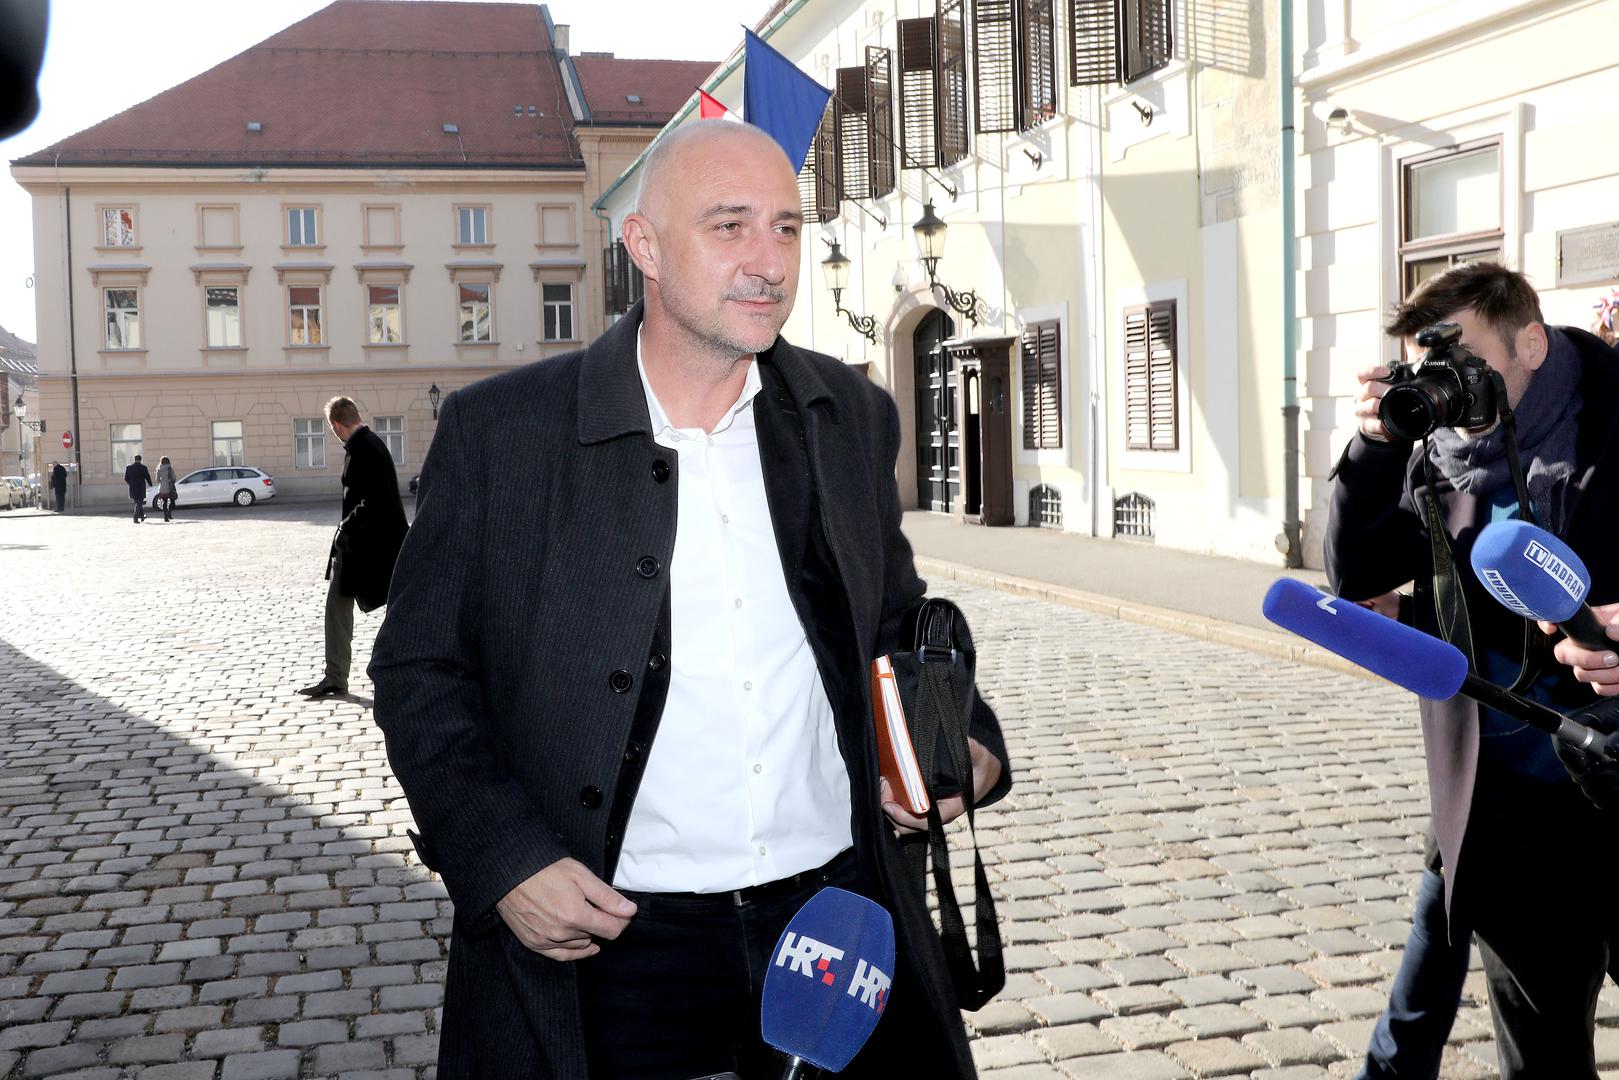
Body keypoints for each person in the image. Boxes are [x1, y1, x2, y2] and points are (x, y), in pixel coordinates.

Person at [369, 120, 1013, 1080]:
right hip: (617, 941)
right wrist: (502, 858)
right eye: (729, 226)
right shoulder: (502, 434)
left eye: (786, 227)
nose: (769, 262)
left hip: (834, 915)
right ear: (645, 247)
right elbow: (420, 669)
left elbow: (889, 619)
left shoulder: (846, 415)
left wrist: (950, 740)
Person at [1326, 261, 1619, 1079]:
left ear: (1530, 345)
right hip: (1508, 801)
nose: (1448, 383)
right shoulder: (1441, 453)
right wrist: (1372, 448)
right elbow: (1357, 579)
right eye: (1433, 363)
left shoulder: (1608, 413)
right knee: (1542, 1055)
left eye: (1465, 358)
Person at [297, 397, 408, 699]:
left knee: (345, 608)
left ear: (336, 425)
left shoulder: (363, 448)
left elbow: (374, 500)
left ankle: (340, 676)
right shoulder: (371, 443)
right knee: (345, 606)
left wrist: (346, 527)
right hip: (373, 543)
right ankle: (338, 676)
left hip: (369, 545)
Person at [123, 453, 152, 523]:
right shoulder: (143, 467)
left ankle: (142, 516)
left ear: (134, 459)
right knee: (139, 503)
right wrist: (150, 484)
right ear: (140, 460)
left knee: (138, 503)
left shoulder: (129, 468)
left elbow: (125, 478)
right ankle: (135, 518)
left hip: (133, 488)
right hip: (141, 488)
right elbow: (147, 477)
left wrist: (130, 483)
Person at [154, 456, 177, 522]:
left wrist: (162, 481)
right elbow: (174, 478)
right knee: (172, 501)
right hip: (169, 487)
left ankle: (165, 516)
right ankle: (169, 513)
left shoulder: (158, 468)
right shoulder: (170, 468)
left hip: (162, 487)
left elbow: (157, 479)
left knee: (165, 502)